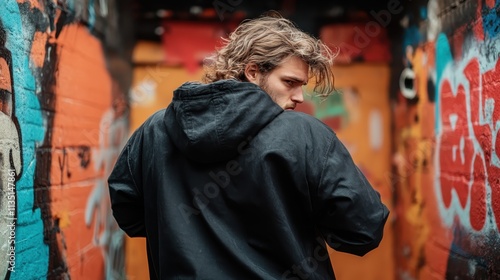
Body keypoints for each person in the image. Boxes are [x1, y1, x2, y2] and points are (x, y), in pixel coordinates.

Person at [108, 11, 389, 280]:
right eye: (289, 82)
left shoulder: (155, 130)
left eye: (301, 85)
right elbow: (364, 229)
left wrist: (181, 231)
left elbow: (129, 214)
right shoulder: (306, 136)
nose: (300, 97)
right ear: (253, 72)